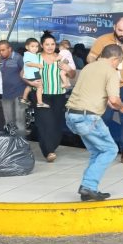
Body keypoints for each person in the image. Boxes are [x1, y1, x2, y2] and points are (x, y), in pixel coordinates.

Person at [66, 44, 123, 201]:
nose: (118, 66)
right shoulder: (111, 72)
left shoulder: (89, 67)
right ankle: (88, 186)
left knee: (97, 151)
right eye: (119, 62)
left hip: (71, 115)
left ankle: (89, 189)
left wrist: (108, 101)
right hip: (88, 118)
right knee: (110, 150)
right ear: (115, 59)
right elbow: (114, 100)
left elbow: (94, 92)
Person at [87, 17, 123, 165]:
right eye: (120, 30)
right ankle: (100, 149)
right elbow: (90, 57)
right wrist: (98, 69)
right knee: (104, 118)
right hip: (105, 87)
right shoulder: (103, 40)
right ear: (114, 27)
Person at [33, 32, 75, 162]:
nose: (50, 47)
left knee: (56, 124)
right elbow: (24, 73)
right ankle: (48, 151)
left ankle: (52, 146)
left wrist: (68, 69)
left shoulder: (61, 58)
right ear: (42, 45)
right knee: (45, 122)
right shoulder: (35, 58)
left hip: (58, 95)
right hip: (42, 95)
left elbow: (72, 75)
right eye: (47, 44)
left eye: (52, 44)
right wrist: (31, 82)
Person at [0, 40, 28, 136]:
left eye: (3, 50)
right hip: (6, 95)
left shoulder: (18, 58)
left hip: (19, 94)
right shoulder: (1, 60)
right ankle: (11, 145)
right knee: (9, 121)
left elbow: (26, 73)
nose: (1, 52)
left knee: (20, 121)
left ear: (9, 49)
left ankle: (21, 143)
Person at [20, 38, 46, 107]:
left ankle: (24, 98)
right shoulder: (28, 54)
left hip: (31, 74)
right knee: (40, 87)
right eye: (32, 46)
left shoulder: (33, 54)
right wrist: (37, 65)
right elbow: (28, 63)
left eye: (36, 46)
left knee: (29, 86)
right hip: (33, 74)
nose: (35, 48)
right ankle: (40, 102)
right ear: (27, 47)